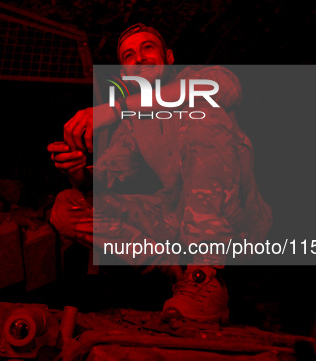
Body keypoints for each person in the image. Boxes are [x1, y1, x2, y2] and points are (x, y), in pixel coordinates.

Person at [48, 24, 272, 323]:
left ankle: (204, 274)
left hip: (239, 216)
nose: (139, 57)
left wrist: (113, 110)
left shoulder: (201, 79)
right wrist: (77, 170)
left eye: (147, 48)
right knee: (67, 205)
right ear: (126, 72)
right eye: (129, 55)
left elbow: (223, 90)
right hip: (176, 218)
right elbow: (106, 178)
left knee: (201, 112)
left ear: (168, 57)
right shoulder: (133, 121)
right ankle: (173, 272)